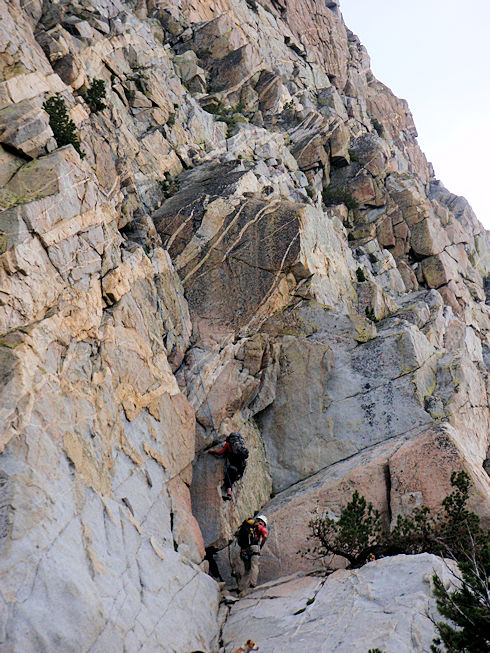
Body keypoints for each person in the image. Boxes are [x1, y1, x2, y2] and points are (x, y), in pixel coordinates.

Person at [208, 432, 249, 500]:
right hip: (240, 468)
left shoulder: (228, 444)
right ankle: (229, 494)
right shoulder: (240, 448)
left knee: (228, 480)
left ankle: (229, 494)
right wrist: (240, 473)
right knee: (231, 480)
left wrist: (213, 452)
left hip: (232, 467)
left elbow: (220, 453)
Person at [237, 514, 268, 591]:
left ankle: (241, 588)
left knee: (247, 569)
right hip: (254, 547)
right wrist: (261, 545)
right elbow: (265, 536)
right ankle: (253, 584)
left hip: (244, 549)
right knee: (255, 566)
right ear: (262, 521)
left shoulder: (248, 525)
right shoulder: (259, 526)